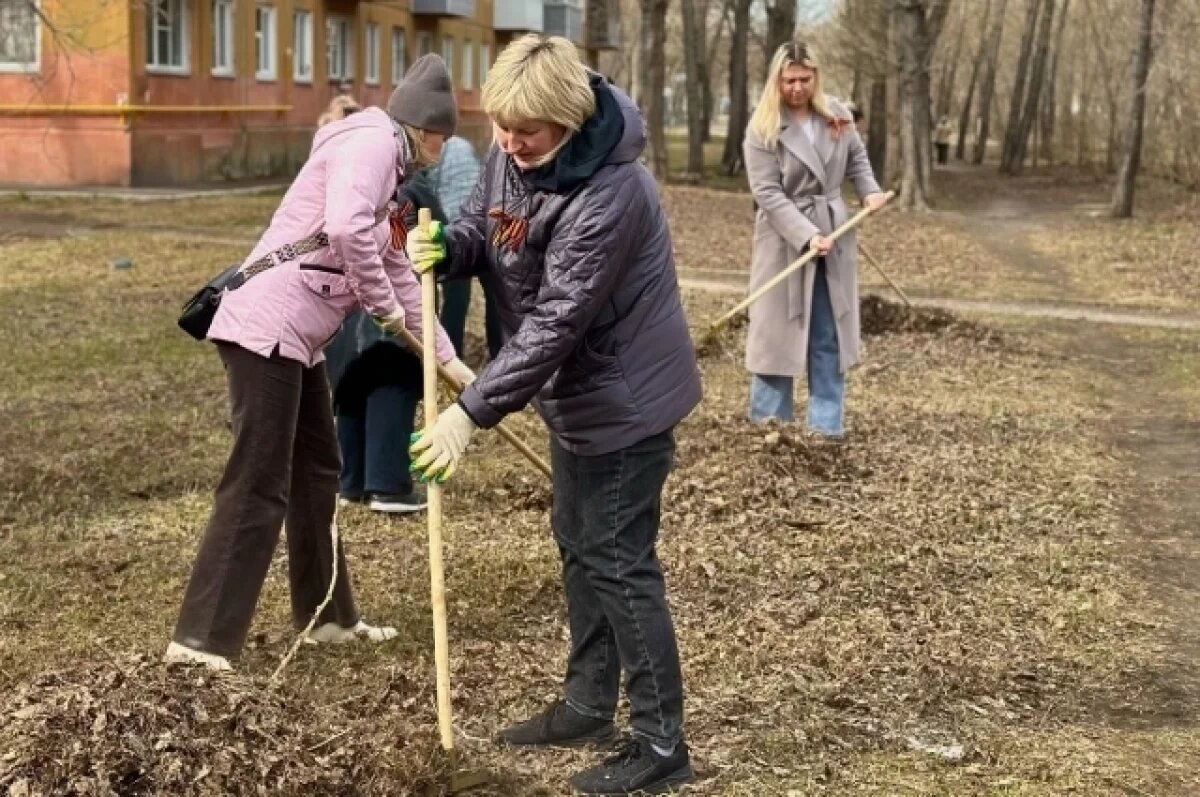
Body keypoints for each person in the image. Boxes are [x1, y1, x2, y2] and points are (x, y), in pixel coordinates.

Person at [405, 34, 702, 796]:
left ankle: (662, 741)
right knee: (579, 543)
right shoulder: (514, 154)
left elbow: (554, 323)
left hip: (625, 403)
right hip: (575, 398)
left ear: (567, 120)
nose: (508, 144)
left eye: (525, 133)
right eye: (500, 128)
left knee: (617, 559)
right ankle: (586, 701)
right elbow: (489, 225)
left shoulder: (613, 194)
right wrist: (450, 246)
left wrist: (468, 414)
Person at [164, 54, 475, 671]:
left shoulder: (393, 172)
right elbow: (344, 229)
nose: (449, 143)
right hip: (267, 328)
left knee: (317, 471)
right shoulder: (372, 145)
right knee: (259, 479)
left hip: (297, 336)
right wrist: (382, 308)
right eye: (446, 131)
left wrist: (450, 363)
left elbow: (397, 274)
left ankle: (328, 618)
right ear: (426, 127)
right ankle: (198, 642)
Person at [324, 132, 475, 514]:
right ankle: (387, 483)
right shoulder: (409, 189)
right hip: (391, 320)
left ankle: (352, 481)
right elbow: (436, 238)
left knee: (354, 390)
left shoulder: (354, 186)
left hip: (348, 319)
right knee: (393, 386)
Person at [742, 41, 887, 438]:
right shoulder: (763, 127)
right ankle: (772, 429)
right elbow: (767, 193)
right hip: (783, 239)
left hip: (834, 235)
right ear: (777, 80)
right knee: (777, 335)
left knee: (829, 331)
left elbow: (857, 159)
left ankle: (826, 431)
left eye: (805, 79)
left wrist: (869, 191)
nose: (797, 88)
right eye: (789, 80)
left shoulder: (837, 116)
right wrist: (807, 235)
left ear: (816, 77)